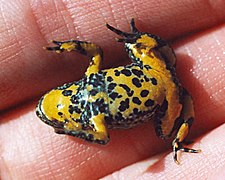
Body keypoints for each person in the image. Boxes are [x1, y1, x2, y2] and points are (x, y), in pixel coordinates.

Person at [0, 0, 224, 179]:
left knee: (164, 134)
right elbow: (96, 52)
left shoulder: (96, 120)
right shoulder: (91, 76)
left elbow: (102, 138)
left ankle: (181, 133)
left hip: (165, 89)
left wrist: (75, 131)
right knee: (133, 45)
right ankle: (143, 44)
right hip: (157, 74)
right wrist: (73, 46)